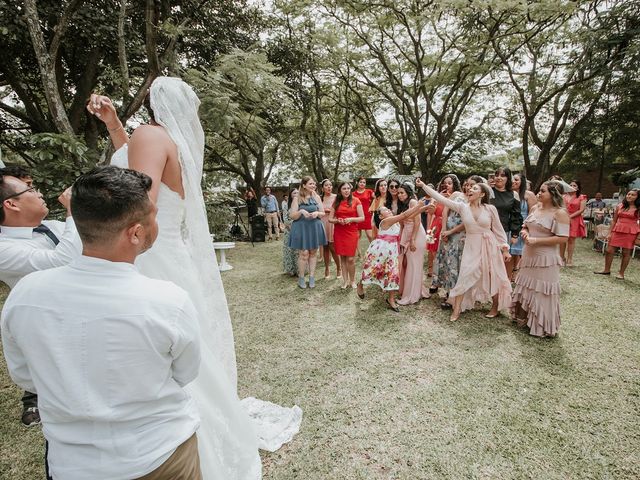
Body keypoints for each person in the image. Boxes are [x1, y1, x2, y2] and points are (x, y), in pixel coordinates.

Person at [89, 79, 292, 477]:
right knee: (179, 343)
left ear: (152, 102)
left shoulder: (150, 134)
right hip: (171, 253)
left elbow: (139, 202)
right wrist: (114, 126)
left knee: (157, 347)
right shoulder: (169, 142)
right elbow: (136, 165)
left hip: (146, 251)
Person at [2, 167, 203, 480]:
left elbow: (26, 376)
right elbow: (185, 372)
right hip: (161, 458)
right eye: (153, 214)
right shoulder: (168, 300)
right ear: (136, 233)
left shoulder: (24, 295)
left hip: (71, 464)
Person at [0, 173, 82, 428]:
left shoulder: (56, 228)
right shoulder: (3, 248)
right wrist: (73, 212)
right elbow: (63, 261)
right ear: (11, 204)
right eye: (30, 190)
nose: (39, 193)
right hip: (51, 333)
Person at [416, 178, 512, 322]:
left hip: (488, 244)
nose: (470, 190)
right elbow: (440, 198)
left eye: (474, 189)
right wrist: (423, 185)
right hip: (471, 245)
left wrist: (504, 248)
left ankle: (495, 306)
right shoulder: (462, 207)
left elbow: (498, 230)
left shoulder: (490, 209)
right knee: (464, 274)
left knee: (492, 275)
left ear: (482, 194)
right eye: (469, 188)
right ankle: (456, 309)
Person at [512, 180, 570, 337]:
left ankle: (541, 324)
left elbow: (563, 238)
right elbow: (526, 225)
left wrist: (536, 241)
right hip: (529, 255)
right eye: (539, 190)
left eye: (543, 191)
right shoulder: (536, 207)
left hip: (545, 258)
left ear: (553, 194)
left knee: (541, 289)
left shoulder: (560, 213)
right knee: (526, 285)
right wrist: (525, 233)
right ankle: (522, 317)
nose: (538, 193)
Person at [356, 202, 429, 311]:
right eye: (385, 210)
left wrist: (424, 208)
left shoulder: (395, 222)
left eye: (388, 209)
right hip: (380, 251)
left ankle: (391, 299)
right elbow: (404, 215)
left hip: (392, 251)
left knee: (393, 274)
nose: (389, 210)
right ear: (380, 216)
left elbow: (409, 216)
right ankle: (360, 284)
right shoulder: (385, 221)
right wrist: (419, 206)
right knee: (372, 271)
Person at [428, 175, 465, 308]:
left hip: (456, 232)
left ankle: (452, 292)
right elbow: (436, 211)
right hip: (441, 227)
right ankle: (437, 283)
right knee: (439, 257)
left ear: (455, 185)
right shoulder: (440, 197)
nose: (447, 185)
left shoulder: (459, 196)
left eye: (450, 183)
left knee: (453, 261)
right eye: (445, 183)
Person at [288, 175, 327, 289]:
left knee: (313, 253)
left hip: (314, 227)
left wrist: (317, 214)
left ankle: (312, 277)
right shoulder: (297, 198)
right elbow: (292, 216)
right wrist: (301, 211)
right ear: (304, 185)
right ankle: (301, 278)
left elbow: (323, 212)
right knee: (304, 254)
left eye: (314, 184)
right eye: (310, 183)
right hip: (301, 228)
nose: (313, 185)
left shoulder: (317, 197)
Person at [396, 183, 430, 305]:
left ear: (408, 193)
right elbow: (402, 224)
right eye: (398, 193)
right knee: (408, 264)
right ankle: (415, 290)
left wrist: (413, 240)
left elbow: (417, 222)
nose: (399, 195)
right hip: (406, 234)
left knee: (413, 265)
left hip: (416, 235)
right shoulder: (402, 204)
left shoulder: (413, 203)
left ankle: (412, 295)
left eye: (402, 193)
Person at [594, 189, 639, 280]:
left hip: (631, 231)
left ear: (638, 197)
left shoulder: (638, 208)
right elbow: (614, 220)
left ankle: (621, 273)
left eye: (633, 195)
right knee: (609, 250)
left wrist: (638, 236)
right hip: (617, 229)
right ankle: (606, 270)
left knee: (626, 252)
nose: (629, 196)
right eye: (628, 194)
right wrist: (609, 233)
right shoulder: (620, 206)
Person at [329, 181, 365, 288]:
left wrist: (351, 219)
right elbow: (330, 219)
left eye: (348, 188)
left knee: (350, 258)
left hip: (351, 232)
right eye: (344, 188)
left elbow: (362, 218)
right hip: (339, 232)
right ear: (340, 190)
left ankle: (352, 281)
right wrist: (337, 221)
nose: (346, 190)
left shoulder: (356, 201)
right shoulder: (336, 201)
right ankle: (345, 281)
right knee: (343, 258)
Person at [491, 166, 522, 280]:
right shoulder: (488, 192)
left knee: (501, 261)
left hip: (504, 232)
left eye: (502, 175)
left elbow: (516, 216)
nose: (499, 177)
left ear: (508, 178)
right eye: (497, 174)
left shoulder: (514, 195)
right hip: (487, 231)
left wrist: (515, 234)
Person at [510, 172, 538, 280]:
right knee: (512, 251)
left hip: (524, 225)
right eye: (512, 179)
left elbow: (533, 212)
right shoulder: (509, 193)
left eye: (516, 180)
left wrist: (526, 226)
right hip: (512, 224)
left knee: (523, 252)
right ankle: (512, 271)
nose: (514, 182)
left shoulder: (528, 194)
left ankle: (520, 271)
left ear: (522, 182)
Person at [560, 180, 586, 267]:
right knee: (562, 238)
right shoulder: (564, 196)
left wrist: (570, 217)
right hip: (564, 218)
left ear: (578, 187)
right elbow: (562, 207)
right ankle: (561, 257)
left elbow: (581, 210)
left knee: (571, 239)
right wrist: (565, 216)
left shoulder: (581, 197)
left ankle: (569, 259)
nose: (572, 186)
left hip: (575, 219)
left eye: (574, 185)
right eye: (570, 185)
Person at [319, 179, 341, 279]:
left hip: (332, 223)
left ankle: (339, 268)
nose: (329, 187)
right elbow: (317, 210)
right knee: (325, 246)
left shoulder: (336, 197)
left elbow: (339, 209)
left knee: (333, 247)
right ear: (322, 188)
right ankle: (327, 268)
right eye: (326, 185)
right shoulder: (319, 198)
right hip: (323, 223)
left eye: (330, 185)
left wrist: (328, 210)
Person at [282, 188, 299, 277]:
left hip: (299, 230)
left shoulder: (301, 205)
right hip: (289, 231)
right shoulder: (286, 206)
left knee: (298, 251)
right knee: (289, 250)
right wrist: (290, 228)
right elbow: (285, 219)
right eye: (294, 193)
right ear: (290, 195)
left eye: (297, 192)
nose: (296, 194)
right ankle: (290, 269)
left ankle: (299, 269)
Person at [352, 176, 375, 243]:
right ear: (357, 183)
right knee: (357, 236)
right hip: (357, 216)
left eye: (364, 182)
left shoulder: (369, 191)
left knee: (370, 235)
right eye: (361, 182)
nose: (362, 184)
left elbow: (377, 197)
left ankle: (372, 251)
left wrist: (373, 208)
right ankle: (359, 253)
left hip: (367, 215)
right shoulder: (353, 194)